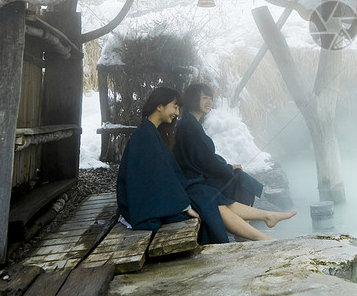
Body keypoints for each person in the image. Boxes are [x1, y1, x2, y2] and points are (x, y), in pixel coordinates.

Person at [117, 86, 296, 244]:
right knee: (206, 198)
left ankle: (265, 220)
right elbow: (151, 179)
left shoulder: (152, 132)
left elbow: (163, 174)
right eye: (174, 106)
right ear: (159, 106)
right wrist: (183, 206)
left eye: (178, 108)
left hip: (159, 195)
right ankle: (259, 233)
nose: (177, 113)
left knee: (206, 194)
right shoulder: (145, 136)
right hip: (144, 205)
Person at [174, 83, 264, 207]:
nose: (209, 102)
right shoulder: (190, 125)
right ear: (193, 98)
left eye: (210, 98)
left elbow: (205, 156)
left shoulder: (190, 122)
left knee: (239, 176)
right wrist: (228, 170)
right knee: (240, 179)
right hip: (195, 179)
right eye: (204, 98)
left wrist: (228, 166)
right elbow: (206, 160)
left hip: (196, 174)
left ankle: (242, 217)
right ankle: (241, 220)